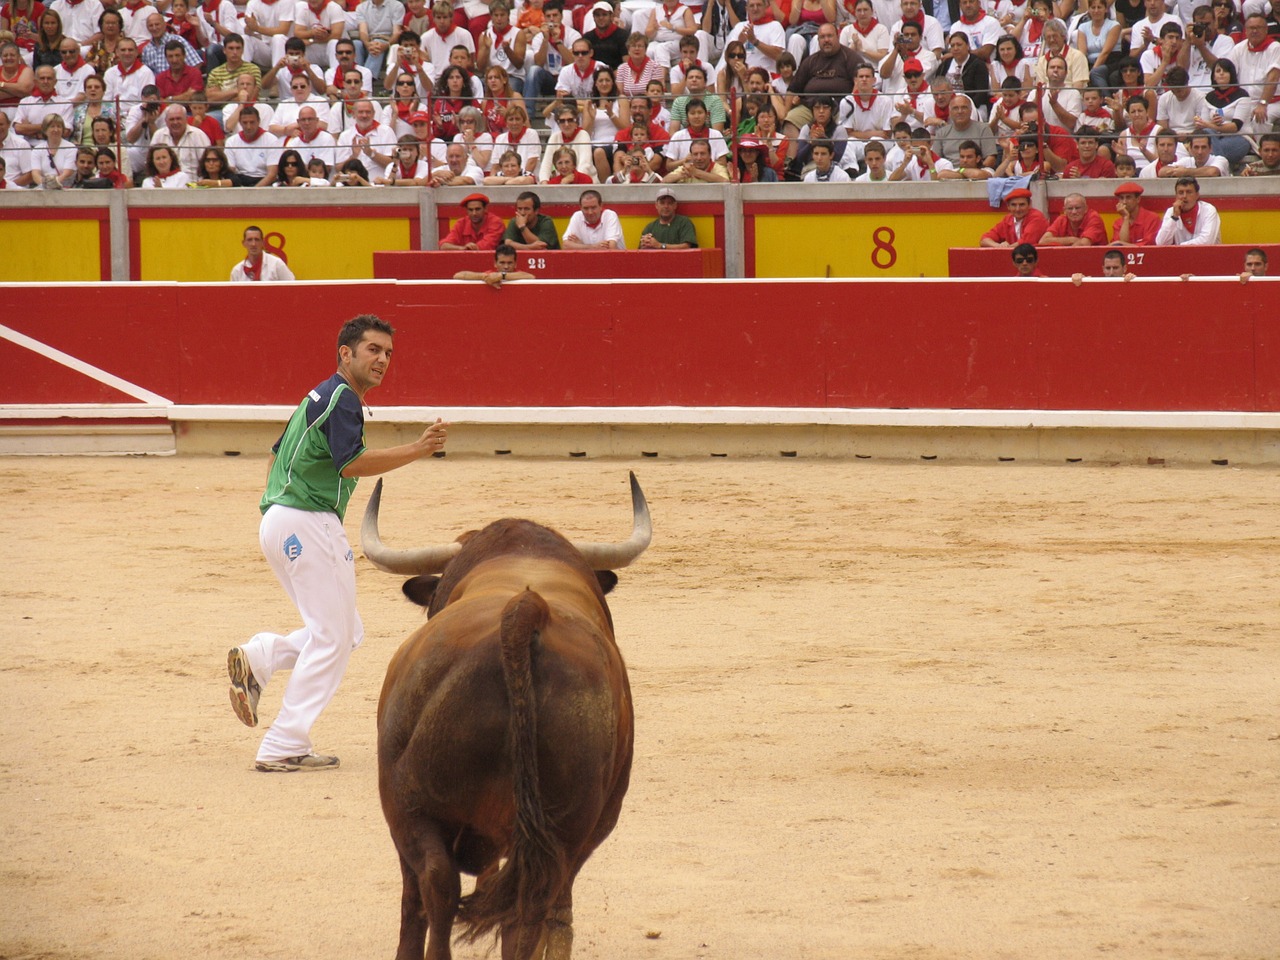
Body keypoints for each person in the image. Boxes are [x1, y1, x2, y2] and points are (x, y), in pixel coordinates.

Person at [226, 314, 449, 773]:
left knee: (346, 630)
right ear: (345, 353)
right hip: (308, 523)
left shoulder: (319, 395)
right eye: (373, 350)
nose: (383, 360)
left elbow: (274, 454)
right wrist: (417, 449)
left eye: (388, 353)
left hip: (280, 521)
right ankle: (283, 743)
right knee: (333, 636)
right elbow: (352, 464)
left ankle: (259, 657)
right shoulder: (343, 399)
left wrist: (283, 508)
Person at [1155, 175, 1221, 245]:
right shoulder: (1171, 212)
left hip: (1207, 255)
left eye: (1189, 192)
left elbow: (1207, 241)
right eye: (1181, 193)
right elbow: (1161, 243)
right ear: (1176, 196)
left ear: (1197, 195)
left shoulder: (1209, 210)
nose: (1184, 196)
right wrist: (1174, 217)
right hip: (1180, 255)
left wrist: (1180, 246)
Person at [151, 102, 210, 178]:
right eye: (172, 119)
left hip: (193, 186)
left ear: (186, 119)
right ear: (166, 121)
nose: (175, 122)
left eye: (178, 118)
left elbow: (207, 164)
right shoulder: (158, 135)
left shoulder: (199, 135)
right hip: (165, 185)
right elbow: (151, 164)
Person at [980, 187, 1048, 247]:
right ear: (1008, 206)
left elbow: (1025, 242)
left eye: (1022, 205)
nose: (1017, 209)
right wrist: (998, 246)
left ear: (1029, 204)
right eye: (1013, 205)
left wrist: (1006, 247)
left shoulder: (1036, 217)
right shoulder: (1008, 219)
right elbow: (984, 240)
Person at [440, 191, 505, 249]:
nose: (474, 213)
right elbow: (444, 246)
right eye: (470, 210)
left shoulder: (496, 222)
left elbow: (486, 246)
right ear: (467, 211)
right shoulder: (461, 223)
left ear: (485, 209)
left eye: (478, 209)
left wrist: (467, 249)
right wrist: (462, 248)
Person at [452, 242, 537, 285]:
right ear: (495, 263)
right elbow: (457, 276)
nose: (506, 266)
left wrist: (502, 275)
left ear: (515, 264)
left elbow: (531, 277)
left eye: (510, 263)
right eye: (502, 263)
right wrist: (483, 277)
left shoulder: (519, 275)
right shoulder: (489, 275)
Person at [231, 225, 295, 280]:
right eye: (249, 240)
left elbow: (293, 287)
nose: (253, 244)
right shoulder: (237, 271)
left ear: (263, 242)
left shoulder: (276, 264)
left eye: (257, 240)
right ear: (244, 243)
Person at [1040, 193, 1107, 246]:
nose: (1074, 212)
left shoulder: (1094, 218)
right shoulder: (1061, 220)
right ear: (1064, 211)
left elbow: (1083, 244)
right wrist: (1071, 240)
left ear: (1086, 209)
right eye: (1070, 208)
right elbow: (1043, 241)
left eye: (1077, 208)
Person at [1109, 180, 1162, 245]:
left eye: (1128, 197)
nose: (1124, 202)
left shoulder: (1152, 219)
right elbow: (1120, 248)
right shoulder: (1118, 223)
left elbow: (1149, 245)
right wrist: (1126, 218)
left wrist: (1121, 244)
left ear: (1138, 199)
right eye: (1121, 198)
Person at [1071, 250, 1137, 284]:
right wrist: (1080, 279)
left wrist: (1133, 282)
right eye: (1108, 268)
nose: (1111, 273)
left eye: (1115, 268)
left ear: (1124, 268)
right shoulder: (1092, 284)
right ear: (1103, 269)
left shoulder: (1131, 280)